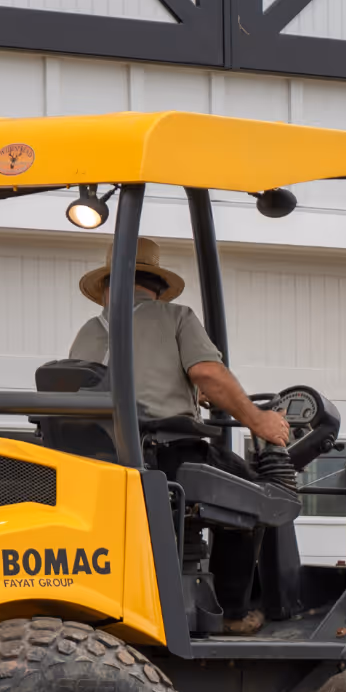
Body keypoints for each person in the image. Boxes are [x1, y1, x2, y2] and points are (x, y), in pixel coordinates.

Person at [70, 238, 288, 635]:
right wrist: (259, 421)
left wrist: (190, 393)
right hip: (164, 454)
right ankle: (234, 613)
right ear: (156, 286)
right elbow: (208, 373)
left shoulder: (88, 332)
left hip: (96, 458)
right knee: (259, 497)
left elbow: (108, 387)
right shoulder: (175, 317)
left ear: (106, 289)